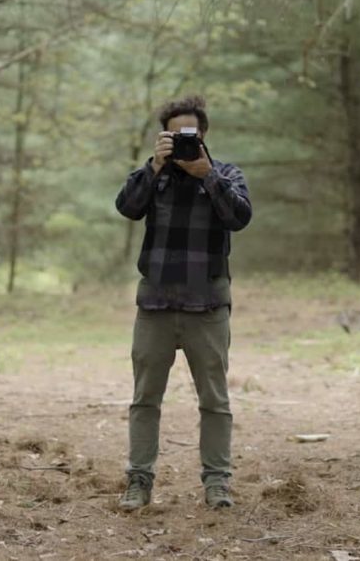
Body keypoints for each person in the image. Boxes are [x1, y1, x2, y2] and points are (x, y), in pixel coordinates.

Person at [115, 95, 252, 510]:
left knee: (214, 400)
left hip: (207, 305)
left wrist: (207, 174)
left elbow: (239, 217)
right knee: (144, 399)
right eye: (175, 134)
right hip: (155, 304)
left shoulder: (226, 173)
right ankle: (139, 481)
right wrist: (154, 165)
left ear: (204, 134)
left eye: (190, 133)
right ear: (164, 136)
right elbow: (126, 206)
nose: (183, 140)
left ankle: (217, 484)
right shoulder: (152, 175)